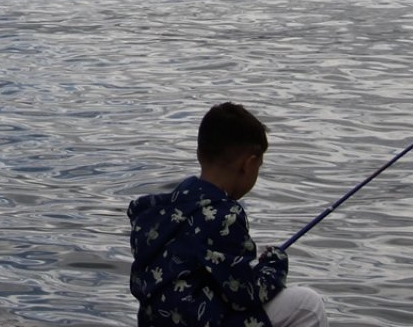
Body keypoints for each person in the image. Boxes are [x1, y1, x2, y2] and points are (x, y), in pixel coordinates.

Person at [128, 102, 328, 327]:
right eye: (259, 166)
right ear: (248, 164)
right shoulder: (224, 215)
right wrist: (274, 264)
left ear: (199, 152)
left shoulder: (159, 210)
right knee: (307, 305)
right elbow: (245, 293)